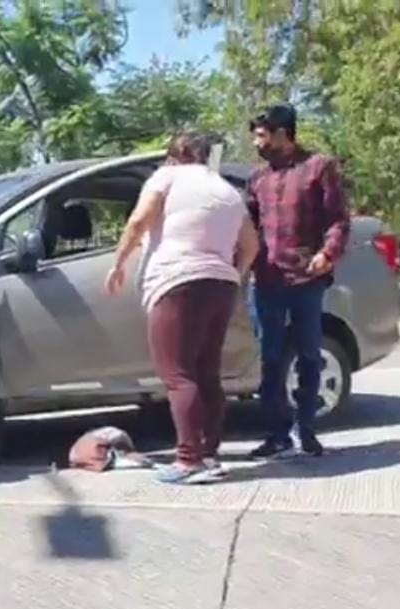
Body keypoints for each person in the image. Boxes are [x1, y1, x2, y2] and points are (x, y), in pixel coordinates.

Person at [106, 133, 260, 484]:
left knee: (177, 374)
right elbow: (251, 243)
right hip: (220, 284)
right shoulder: (226, 190)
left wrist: (118, 263)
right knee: (207, 371)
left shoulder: (166, 177)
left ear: (175, 156)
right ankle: (209, 455)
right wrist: (235, 273)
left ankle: (188, 461)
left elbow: (138, 220)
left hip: (176, 281)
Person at [245, 104, 350, 459]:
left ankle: (307, 429)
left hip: (307, 277)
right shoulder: (257, 178)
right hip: (266, 280)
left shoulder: (319, 167)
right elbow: (247, 226)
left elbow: (338, 219)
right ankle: (276, 435)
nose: (256, 143)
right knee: (270, 359)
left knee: (308, 355)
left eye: (261, 135)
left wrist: (327, 254)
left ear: (282, 133)